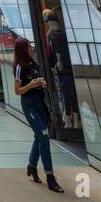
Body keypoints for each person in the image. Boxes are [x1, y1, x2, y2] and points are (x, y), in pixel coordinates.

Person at [13, 36, 64, 192]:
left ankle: (32, 166)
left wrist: (42, 84)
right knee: (43, 137)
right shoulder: (20, 67)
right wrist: (31, 84)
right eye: (29, 46)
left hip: (40, 104)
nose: (32, 48)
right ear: (23, 49)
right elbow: (17, 91)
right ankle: (50, 176)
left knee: (40, 135)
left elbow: (38, 83)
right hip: (30, 106)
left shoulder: (34, 65)